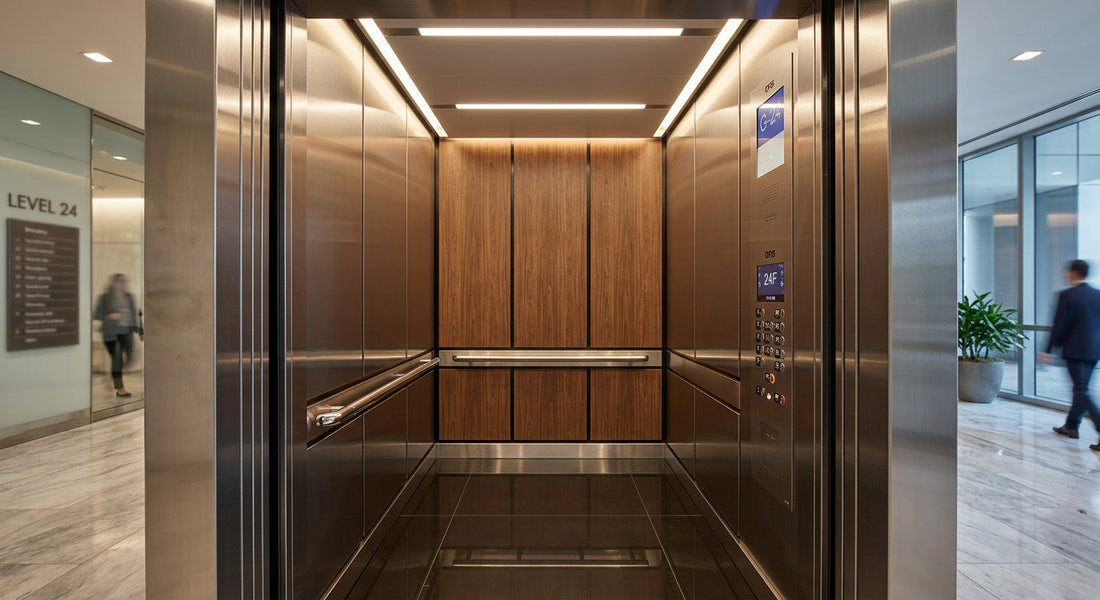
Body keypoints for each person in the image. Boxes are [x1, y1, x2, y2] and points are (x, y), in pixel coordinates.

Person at [1040, 259, 1100, 451]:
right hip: (1094, 350)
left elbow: (1059, 325)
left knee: (1081, 390)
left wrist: (1048, 350)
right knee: (1080, 389)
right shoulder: (1097, 295)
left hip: (1075, 350)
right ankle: (1071, 426)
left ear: (1073, 273)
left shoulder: (1067, 295)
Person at [93, 273, 144, 397]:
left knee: (130, 358)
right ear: (113, 283)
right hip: (111, 333)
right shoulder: (105, 298)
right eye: (118, 282)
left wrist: (140, 331)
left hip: (127, 332)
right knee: (117, 358)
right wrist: (110, 316)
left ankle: (113, 375)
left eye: (123, 282)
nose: (121, 284)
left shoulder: (129, 297)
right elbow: (96, 315)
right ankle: (120, 388)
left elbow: (135, 316)